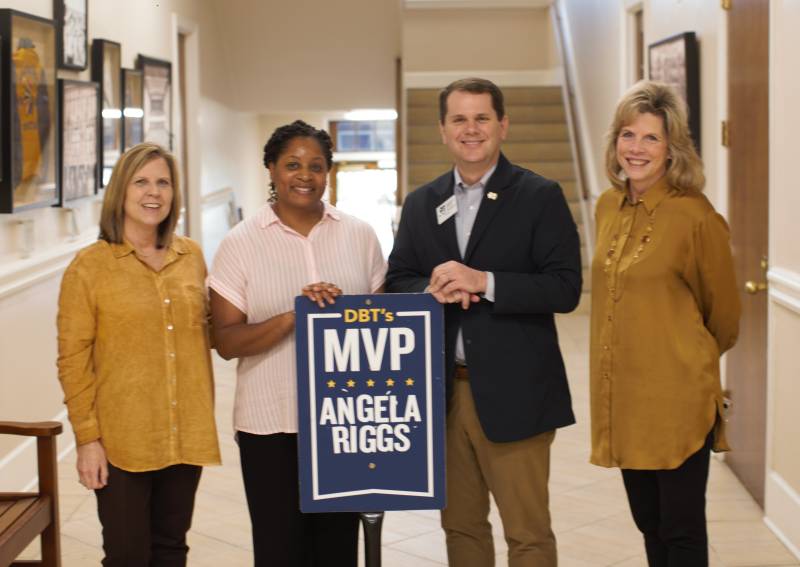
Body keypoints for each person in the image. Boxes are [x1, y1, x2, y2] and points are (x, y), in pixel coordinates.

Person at [386, 78, 582, 567]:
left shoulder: (539, 195)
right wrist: (428, 292)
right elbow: (398, 279)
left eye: (481, 118)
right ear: (443, 130)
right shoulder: (421, 202)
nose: (470, 129)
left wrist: (484, 281)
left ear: (503, 125)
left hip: (518, 395)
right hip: (444, 397)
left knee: (528, 534)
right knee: (461, 529)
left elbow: (564, 288)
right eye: (459, 119)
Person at [208, 120, 386, 566]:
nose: (304, 175)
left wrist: (347, 315)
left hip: (343, 422)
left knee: (337, 549)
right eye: (292, 164)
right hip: (269, 423)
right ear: (271, 169)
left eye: (316, 165)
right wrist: (294, 317)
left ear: (329, 173)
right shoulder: (240, 243)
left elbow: (382, 329)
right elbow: (226, 340)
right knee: (279, 549)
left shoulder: (359, 235)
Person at [590, 80, 741, 567]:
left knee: (681, 533)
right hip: (625, 401)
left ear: (673, 148)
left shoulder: (696, 218)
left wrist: (681, 360)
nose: (636, 149)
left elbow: (725, 318)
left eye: (651, 138)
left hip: (676, 402)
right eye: (628, 135)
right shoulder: (607, 207)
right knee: (649, 525)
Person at [57, 142, 221, 567]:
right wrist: (87, 440)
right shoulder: (89, 267)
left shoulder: (192, 257)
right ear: (121, 192)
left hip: (183, 431)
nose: (154, 193)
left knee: (171, 548)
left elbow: (212, 330)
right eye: (142, 181)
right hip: (122, 439)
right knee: (127, 555)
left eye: (163, 182)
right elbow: (72, 360)